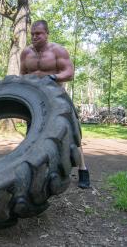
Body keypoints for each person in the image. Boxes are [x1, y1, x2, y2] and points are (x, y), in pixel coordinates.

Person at [20, 19, 91, 189]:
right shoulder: (25, 53)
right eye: (32, 34)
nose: (35, 37)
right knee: (32, 136)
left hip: (57, 96)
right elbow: (22, 74)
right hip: (35, 100)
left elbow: (69, 72)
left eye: (38, 34)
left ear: (46, 34)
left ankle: (83, 169)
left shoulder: (57, 50)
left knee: (73, 133)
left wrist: (53, 77)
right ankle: (35, 172)